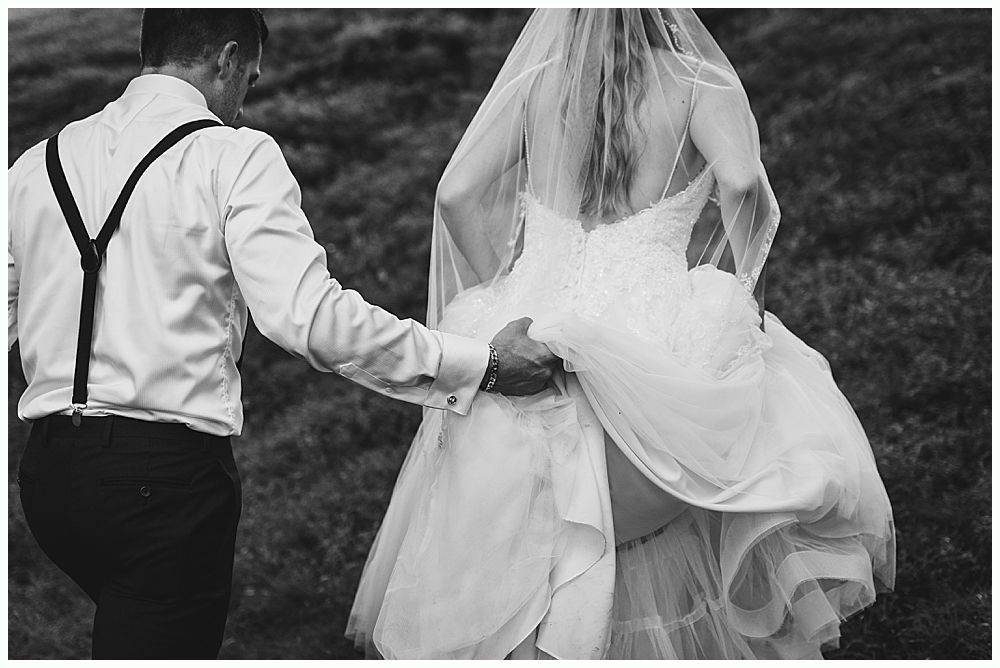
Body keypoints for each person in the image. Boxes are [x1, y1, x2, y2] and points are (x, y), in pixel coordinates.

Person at [7, 9, 558, 660]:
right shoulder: (233, 155)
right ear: (228, 59)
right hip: (162, 486)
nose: (242, 105)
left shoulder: (35, 165)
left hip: (48, 482)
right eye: (252, 81)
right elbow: (312, 319)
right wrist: (484, 366)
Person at [346, 8, 896, 660]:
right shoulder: (699, 83)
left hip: (535, 321)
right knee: (670, 512)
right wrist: (744, 294)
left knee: (538, 526)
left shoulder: (538, 82)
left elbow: (455, 193)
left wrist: (503, 285)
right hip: (646, 324)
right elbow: (743, 182)